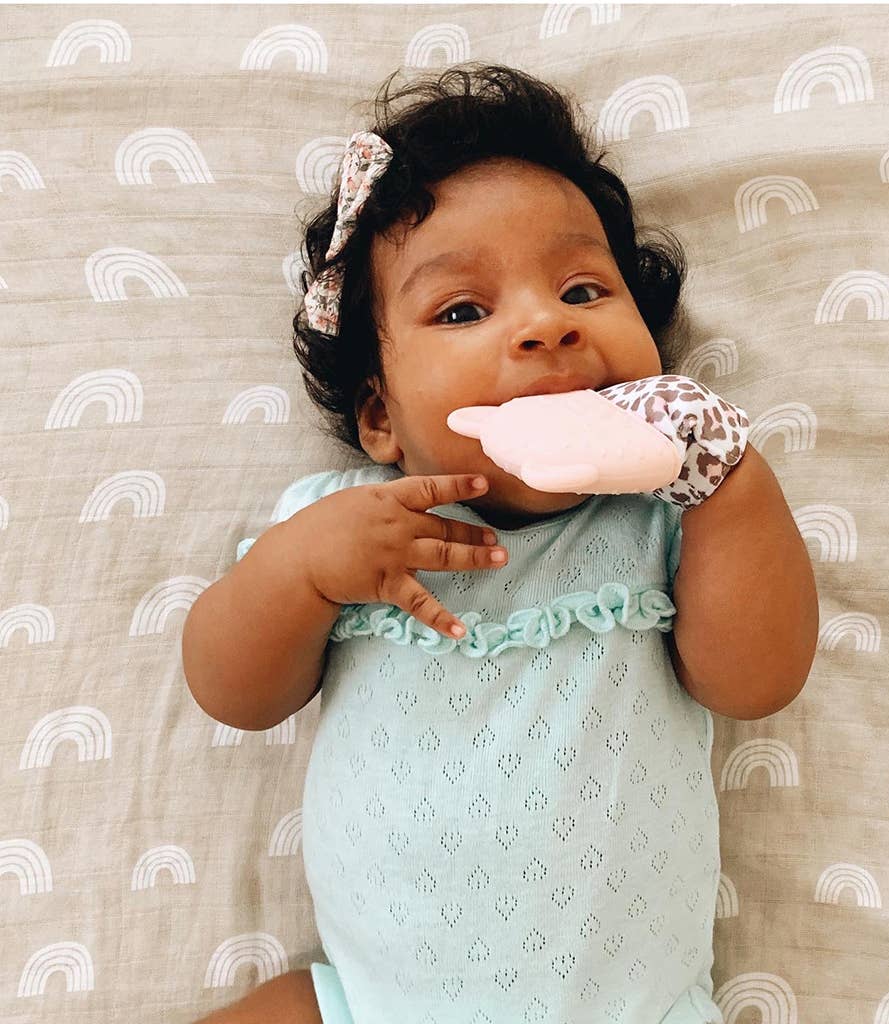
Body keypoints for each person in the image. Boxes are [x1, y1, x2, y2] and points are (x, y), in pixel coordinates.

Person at [183, 62, 818, 1024]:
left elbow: (756, 681)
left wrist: (727, 480)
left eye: (583, 289)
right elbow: (231, 691)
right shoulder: (345, 526)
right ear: (380, 418)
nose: (544, 327)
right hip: (374, 1005)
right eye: (463, 311)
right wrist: (298, 574)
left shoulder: (664, 520)